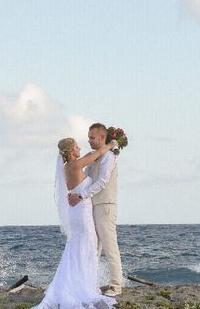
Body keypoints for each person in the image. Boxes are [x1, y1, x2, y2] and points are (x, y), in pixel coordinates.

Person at [33, 137, 118, 309]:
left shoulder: (67, 167)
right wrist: (111, 144)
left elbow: (90, 156)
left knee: (78, 247)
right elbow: (99, 153)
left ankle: (81, 282)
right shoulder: (75, 165)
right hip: (81, 212)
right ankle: (84, 286)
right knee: (87, 245)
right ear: (72, 151)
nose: (80, 148)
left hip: (77, 211)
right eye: (77, 146)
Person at [68, 123, 123, 296]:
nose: (89, 140)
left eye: (92, 137)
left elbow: (102, 182)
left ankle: (116, 285)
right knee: (94, 247)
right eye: (89, 137)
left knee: (109, 245)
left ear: (102, 138)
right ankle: (92, 283)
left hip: (105, 206)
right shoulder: (93, 156)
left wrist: (81, 196)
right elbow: (79, 172)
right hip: (91, 206)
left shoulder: (108, 157)